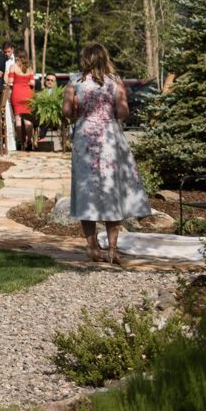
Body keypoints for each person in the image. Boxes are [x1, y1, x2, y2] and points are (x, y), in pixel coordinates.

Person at [64, 42, 151, 266]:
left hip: (85, 140)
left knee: (86, 191)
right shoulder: (115, 81)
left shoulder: (75, 81)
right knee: (112, 189)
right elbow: (123, 112)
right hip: (109, 139)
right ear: (105, 58)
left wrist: (78, 110)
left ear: (86, 59)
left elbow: (67, 112)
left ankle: (91, 246)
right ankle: (113, 249)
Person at [6, 48, 40, 150]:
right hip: (28, 95)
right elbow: (33, 83)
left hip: (17, 94)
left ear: (17, 57)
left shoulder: (13, 67)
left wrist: (7, 75)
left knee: (18, 120)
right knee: (28, 120)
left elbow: (10, 81)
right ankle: (29, 141)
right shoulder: (29, 69)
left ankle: (20, 142)